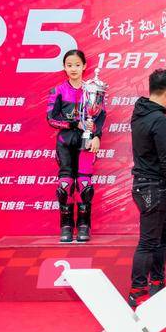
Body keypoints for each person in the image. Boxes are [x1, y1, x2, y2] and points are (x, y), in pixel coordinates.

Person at [128, 69, 166, 307]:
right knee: (148, 242)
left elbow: (161, 105)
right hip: (153, 188)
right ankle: (137, 291)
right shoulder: (160, 121)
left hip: (144, 187)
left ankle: (157, 282)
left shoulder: (140, 110)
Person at [47, 50, 106, 243]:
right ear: (64, 67)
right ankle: (66, 226)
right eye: (69, 65)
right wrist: (74, 124)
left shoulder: (93, 90)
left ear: (84, 66)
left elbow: (100, 116)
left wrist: (96, 136)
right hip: (65, 142)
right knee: (65, 185)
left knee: (84, 184)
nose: (73, 69)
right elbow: (51, 119)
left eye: (77, 65)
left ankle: (83, 226)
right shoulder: (57, 91)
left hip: (86, 143)